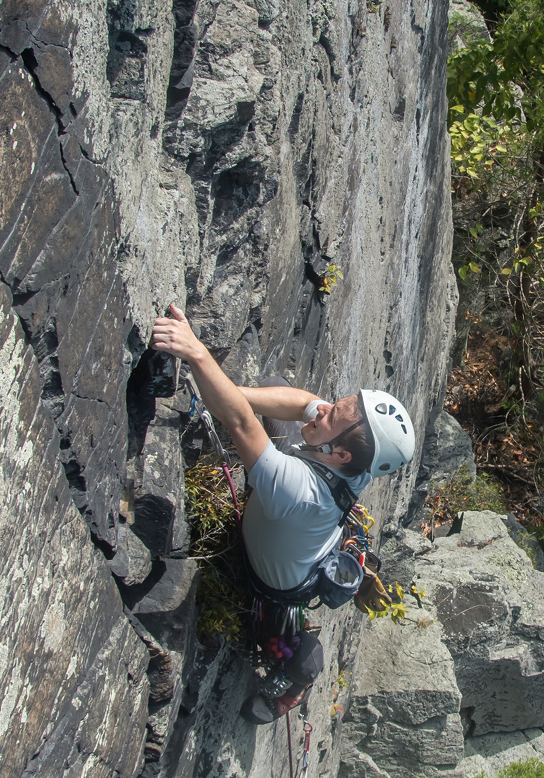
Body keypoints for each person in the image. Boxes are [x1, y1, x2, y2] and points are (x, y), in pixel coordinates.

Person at [150, 304, 415, 715]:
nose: (324, 409)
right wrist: (229, 390)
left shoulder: (298, 490)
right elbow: (305, 402)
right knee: (276, 387)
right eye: (336, 404)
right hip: (303, 528)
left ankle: (295, 685)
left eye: (333, 415)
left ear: (341, 454)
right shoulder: (356, 459)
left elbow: (241, 422)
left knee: (295, 653)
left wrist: (196, 353)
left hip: (275, 587)